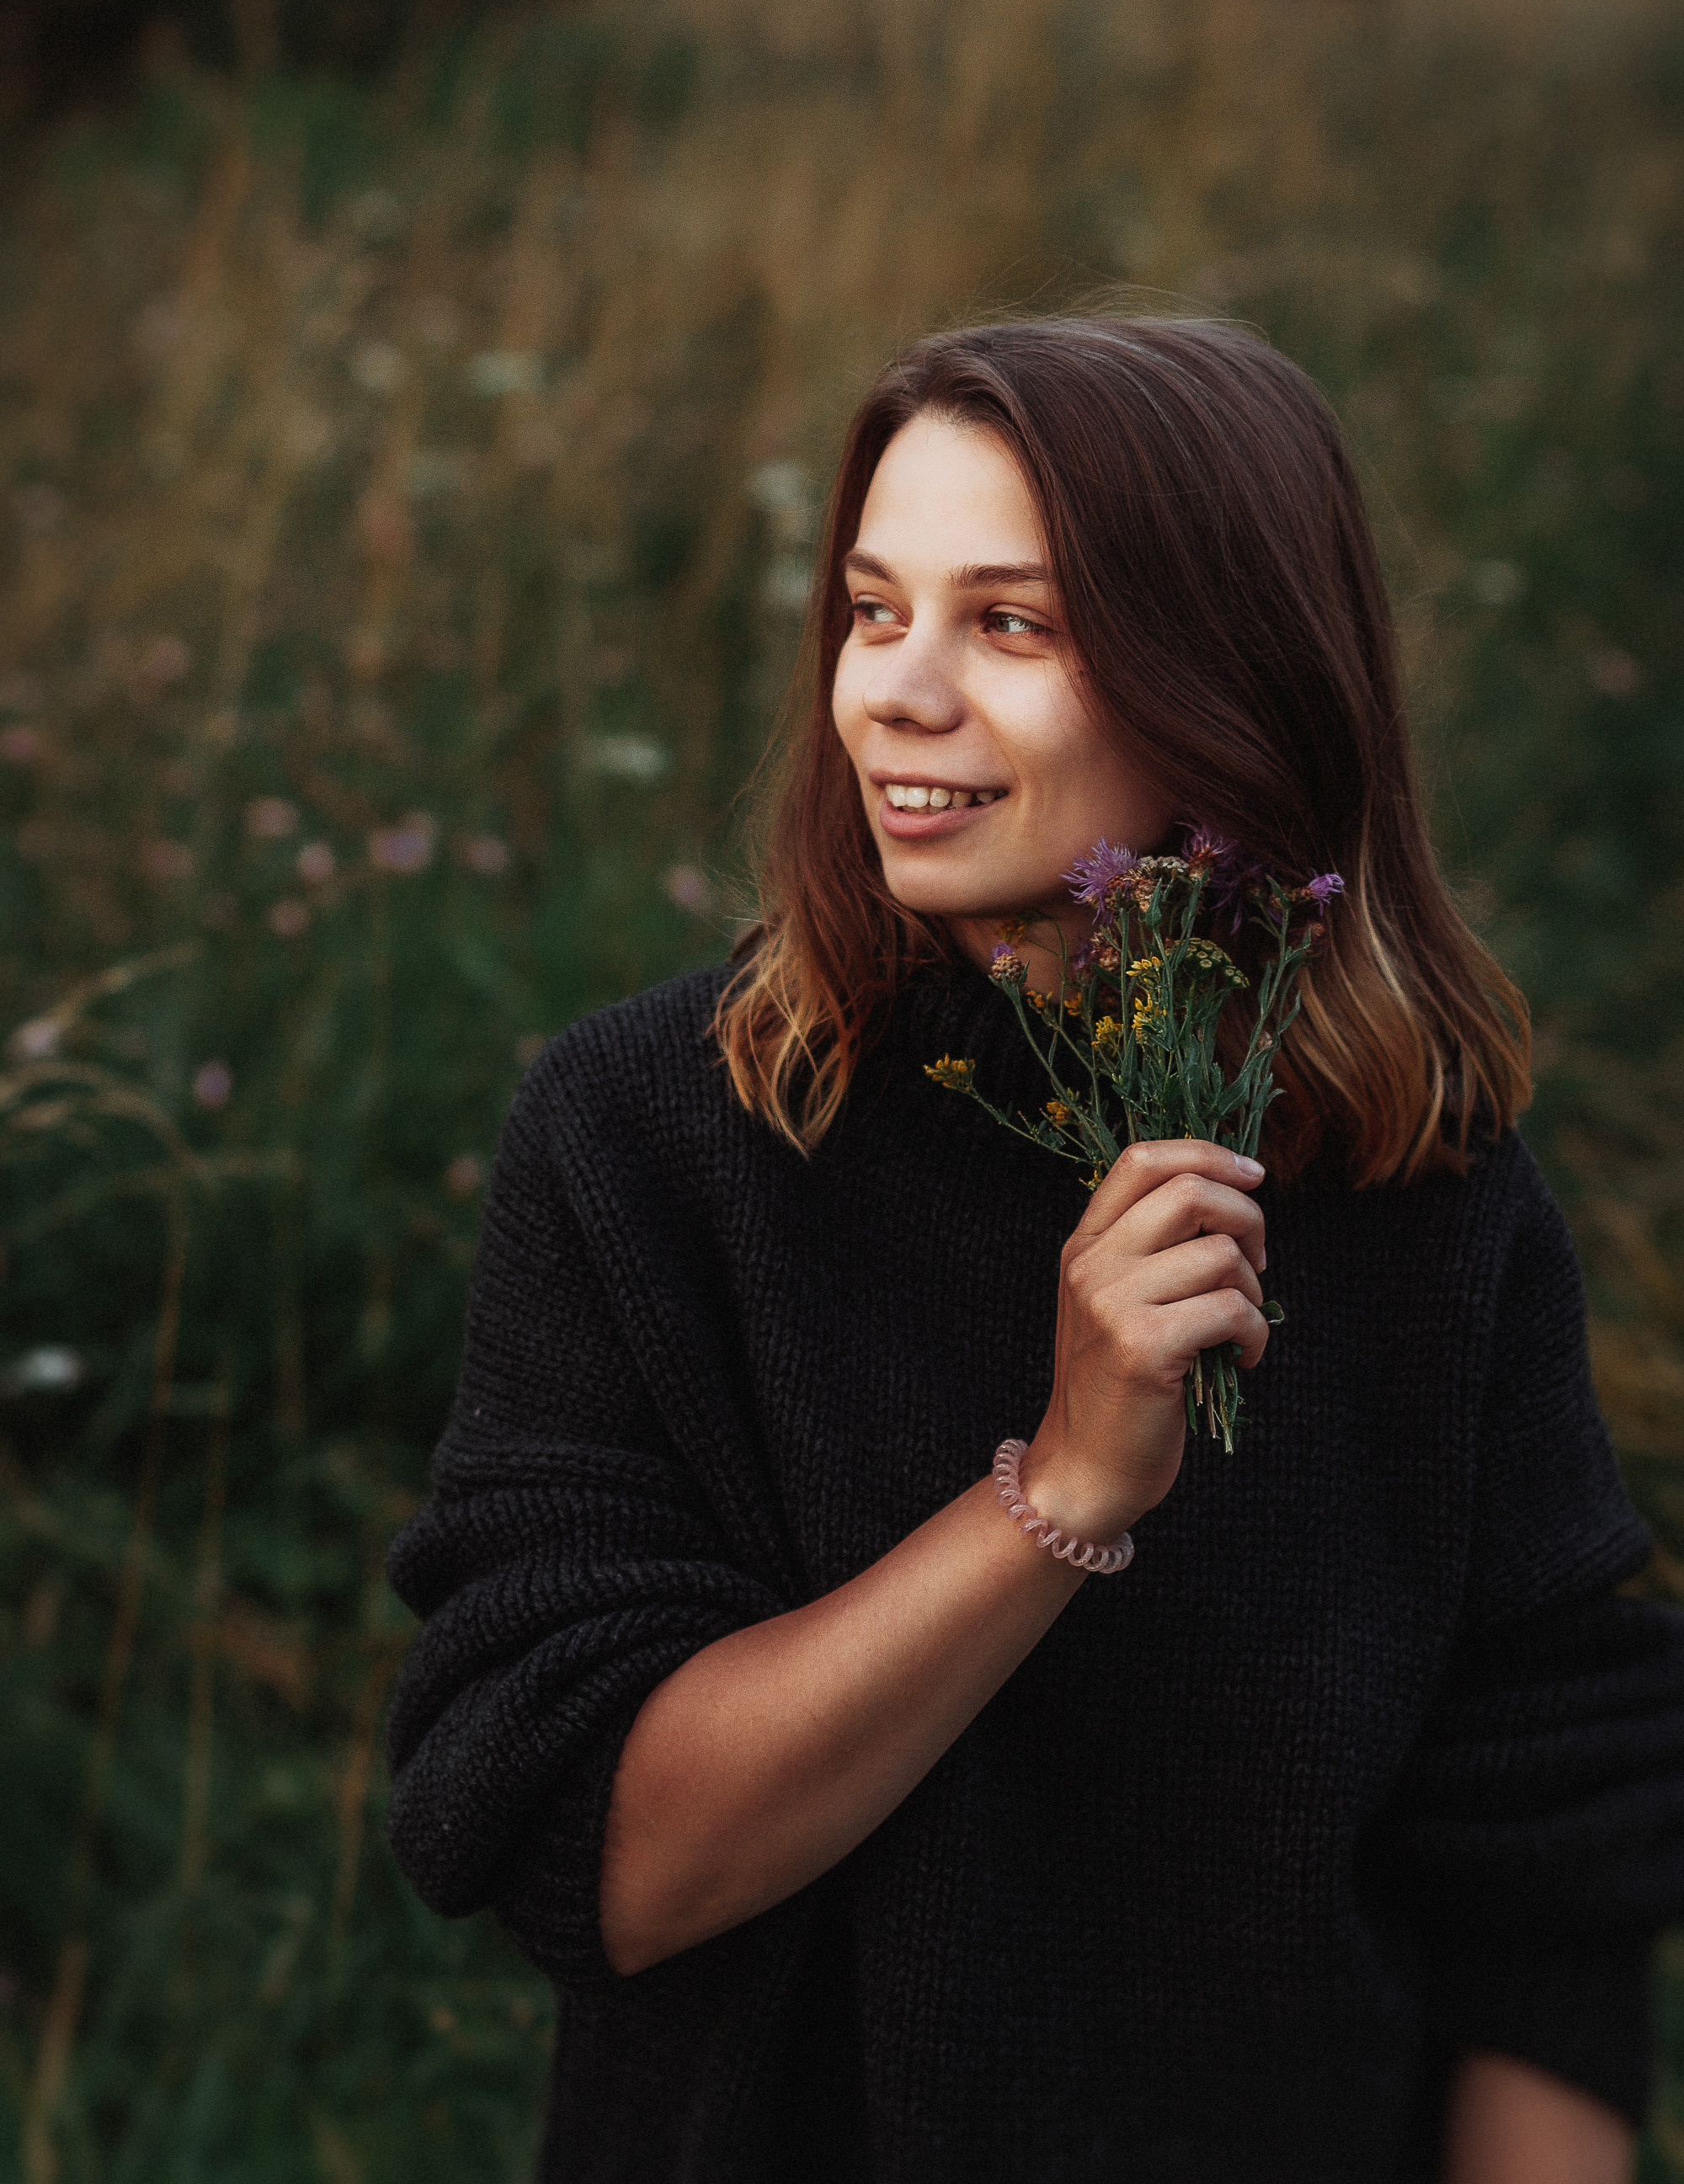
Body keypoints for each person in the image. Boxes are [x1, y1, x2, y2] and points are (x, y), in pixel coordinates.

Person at [385, 317, 1684, 2182]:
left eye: (1010, 625)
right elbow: (608, 1859)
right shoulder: (656, 1148)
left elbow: (1544, 1903)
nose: (894, 696)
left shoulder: (1427, 1191)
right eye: (870, 606)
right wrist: (1061, 1488)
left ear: (1224, 679)